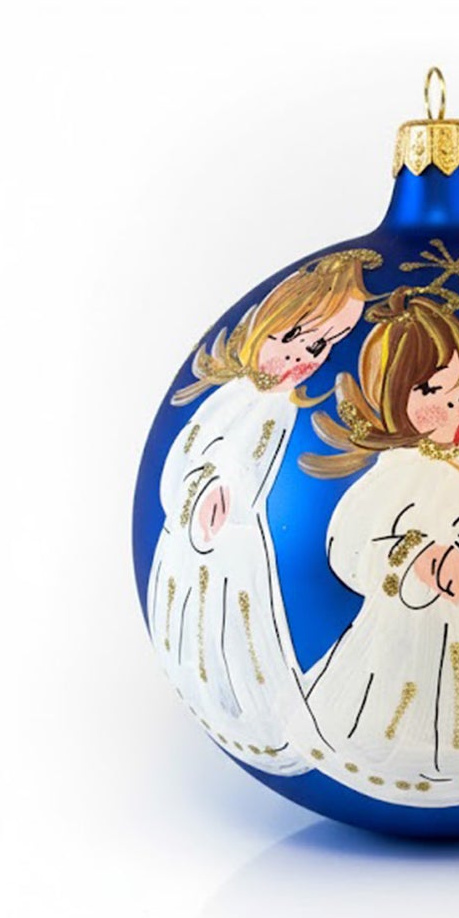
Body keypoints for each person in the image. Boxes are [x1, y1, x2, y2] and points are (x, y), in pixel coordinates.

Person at [299, 289, 459, 803]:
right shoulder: (395, 472)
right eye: (437, 390)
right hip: (406, 622)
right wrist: (413, 561)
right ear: (396, 394)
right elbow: (351, 546)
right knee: (404, 692)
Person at [146, 249, 378, 773]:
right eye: (294, 338)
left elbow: (259, 472)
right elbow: (184, 457)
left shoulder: (281, 404)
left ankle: (252, 711)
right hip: (206, 538)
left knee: (243, 631)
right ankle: (223, 702)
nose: (304, 358)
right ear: (266, 322)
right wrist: (205, 491)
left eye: (322, 346)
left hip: (240, 542)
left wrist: (233, 498)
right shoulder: (232, 395)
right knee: (203, 620)